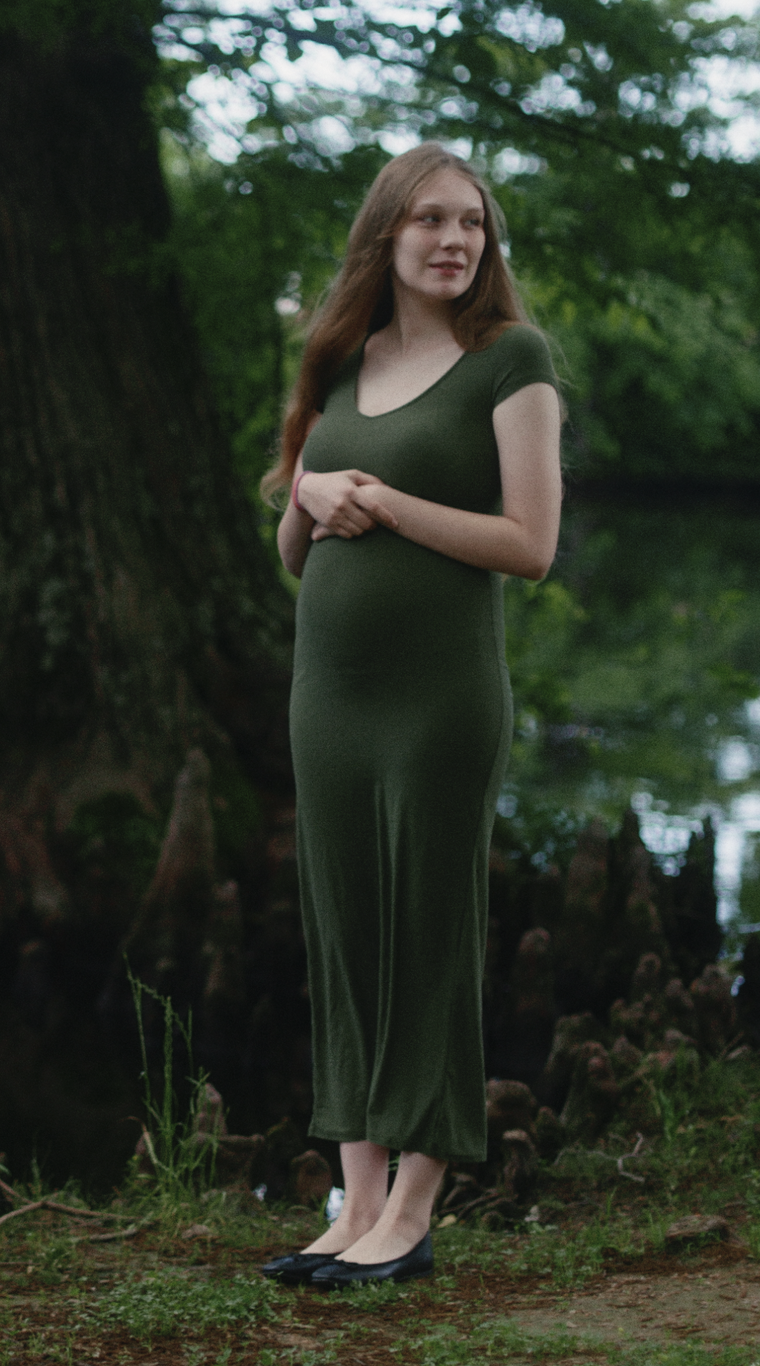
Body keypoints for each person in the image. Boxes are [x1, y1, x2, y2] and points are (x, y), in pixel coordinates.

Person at [255, 143, 562, 1289]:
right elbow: (293, 551)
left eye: (472, 223)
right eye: (429, 219)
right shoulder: (340, 357)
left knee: (426, 937)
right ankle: (357, 1200)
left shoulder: (509, 360)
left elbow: (529, 545)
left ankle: (416, 1210)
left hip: (440, 697)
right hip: (325, 698)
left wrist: (380, 500)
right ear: (383, 235)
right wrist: (307, 491)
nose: (454, 240)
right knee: (341, 935)